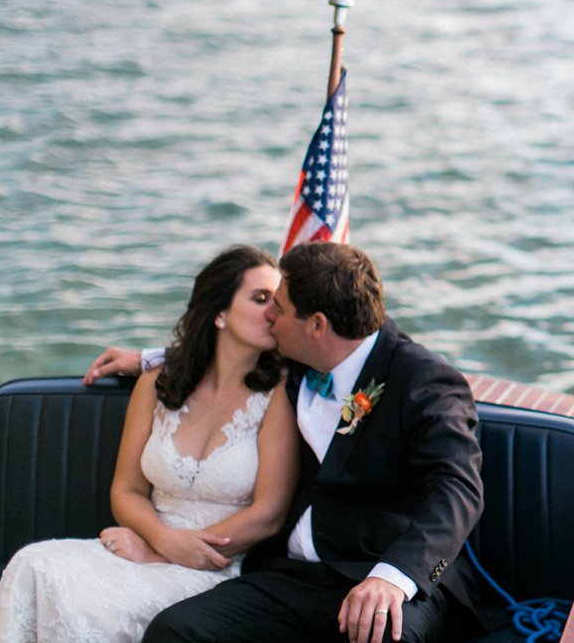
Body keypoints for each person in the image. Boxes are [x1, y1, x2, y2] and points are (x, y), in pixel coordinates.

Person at [88, 242, 485, 643]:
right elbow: (228, 347)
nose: (270, 317)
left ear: (316, 326)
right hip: (292, 575)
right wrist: (149, 358)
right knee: (175, 631)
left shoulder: (425, 381)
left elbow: (459, 491)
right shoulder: (302, 356)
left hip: (389, 575)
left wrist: (394, 578)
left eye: (278, 306)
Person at [0, 245, 299, 643]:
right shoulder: (157, 383)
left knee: (89, 607)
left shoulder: (279, 395)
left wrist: (167, 553)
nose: (274, 311)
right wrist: (159, 540)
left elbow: (268, 513)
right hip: (143, 543)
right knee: (33, 564)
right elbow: (127, 489)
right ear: (219, 313)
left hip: (215, 567)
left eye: (278, 301)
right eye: (260, 298)